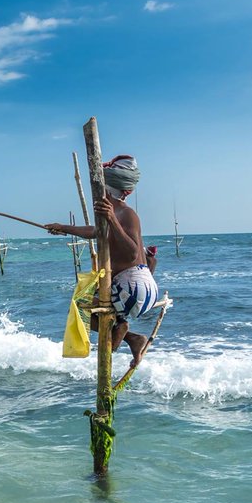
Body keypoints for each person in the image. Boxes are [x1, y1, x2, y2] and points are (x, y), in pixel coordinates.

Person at [45, 155, 159, 366]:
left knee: (81, 307)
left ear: (107, 188)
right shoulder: (114, 212)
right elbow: (97, 232)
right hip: (139, 289)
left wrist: (112, 219)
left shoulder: (126, 213)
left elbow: (132, 253)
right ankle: (133, 338)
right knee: (89, 308)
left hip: (132, 287)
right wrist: (63, 227)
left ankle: (124, 329)